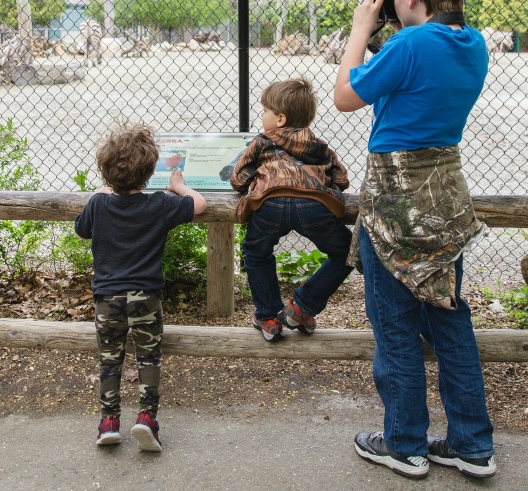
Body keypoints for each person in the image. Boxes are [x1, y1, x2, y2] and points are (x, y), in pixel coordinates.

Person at [333, 0, 496, 480]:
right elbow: (415, 74)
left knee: (395, 322)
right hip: (445, 195)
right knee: (449, 317)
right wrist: (392, 35)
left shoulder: (410, 44)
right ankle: (473, 445)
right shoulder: (472, 43)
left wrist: (361, 29)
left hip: (396, 197)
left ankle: (404, 444)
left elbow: (345, 97)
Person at [75, 122, 207, 452]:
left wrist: (98, 194)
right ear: (149, 172)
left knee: (110, 360)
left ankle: (109, 422)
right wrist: (180, 186)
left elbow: (81, 230)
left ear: (106, 172)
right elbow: (200, 205)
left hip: (107, 300)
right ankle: (147, 418)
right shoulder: (159, 204)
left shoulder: (99, 205)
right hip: (146, 298)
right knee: (149, 359)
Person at [229, 78, 353, 342]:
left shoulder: (262, 141)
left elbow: (238, 179)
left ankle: (268, 316)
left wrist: (257, 180)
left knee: (256, 252)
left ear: (280, 119)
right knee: (347, 252)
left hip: (270, 204)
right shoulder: (320, 146)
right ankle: (302, 307)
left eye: (265, 110)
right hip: (313, 205)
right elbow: (342, 180)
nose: (262, 115)